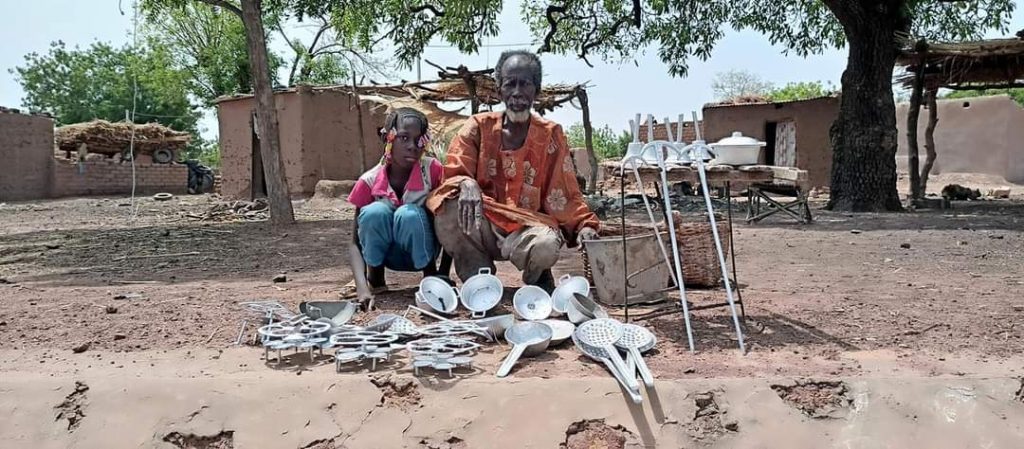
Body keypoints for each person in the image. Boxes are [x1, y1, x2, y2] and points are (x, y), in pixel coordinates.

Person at [425, 50, 600, 292]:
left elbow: (565, 192)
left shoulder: (550, 134)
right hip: (482, 223)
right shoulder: (477, 126)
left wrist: (584, 225)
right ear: (499, 90)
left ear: (536, 91)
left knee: (547, 245)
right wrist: (467, 183)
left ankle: (537, 277)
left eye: (525, 84)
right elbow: (453, 174)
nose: (517, 92)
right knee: (447, 209)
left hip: (527, 227)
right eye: (510, 84)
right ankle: (480, 282)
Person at [346, 107, 444, 307]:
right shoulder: (369, 181)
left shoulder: (433, 171)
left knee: (409, 216)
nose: (412, 146)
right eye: (404, 138)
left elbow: (451, 224)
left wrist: (442, 275)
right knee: (375, 212)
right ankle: (376, 279)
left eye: (419, 140)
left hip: (425, 252)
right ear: (387, 138)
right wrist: (361, 287)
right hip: (387, 255)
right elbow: (355, 243)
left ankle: (429, 277)